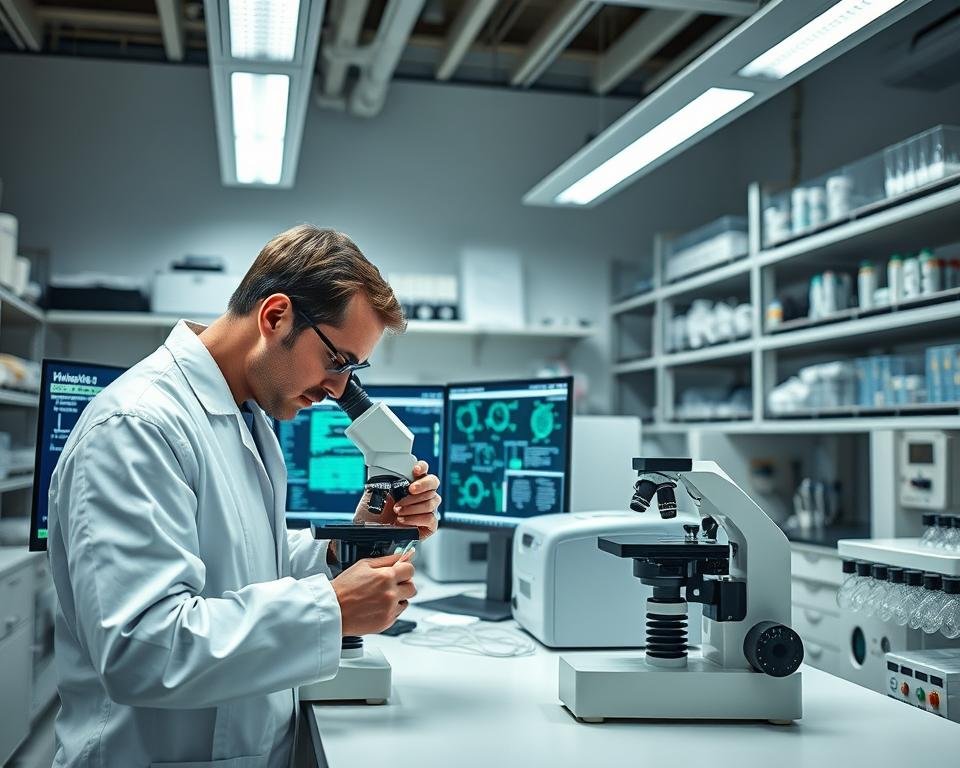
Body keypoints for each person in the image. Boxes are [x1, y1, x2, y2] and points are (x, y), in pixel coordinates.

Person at [47, 225, 441, 768]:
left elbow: (245, 560)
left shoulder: (245, 417)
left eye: (352, 371)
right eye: (336, 361)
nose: (336, 389)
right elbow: (141, 648)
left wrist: (349, 547)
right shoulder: (136, 426)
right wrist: (333, 608)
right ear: (275, 315)